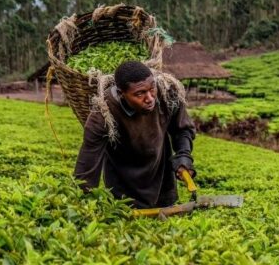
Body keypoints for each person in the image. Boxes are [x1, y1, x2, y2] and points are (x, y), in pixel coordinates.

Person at [74, 60, 196, 208]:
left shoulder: (166, 91)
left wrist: (183, 155)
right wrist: (82, 206)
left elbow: (182, 129)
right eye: (140, 94)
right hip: (124, 186)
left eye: (152, 89)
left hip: (161, 177)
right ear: (121, 94)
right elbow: (87, 167)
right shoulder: (103, 114)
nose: (150, 98)